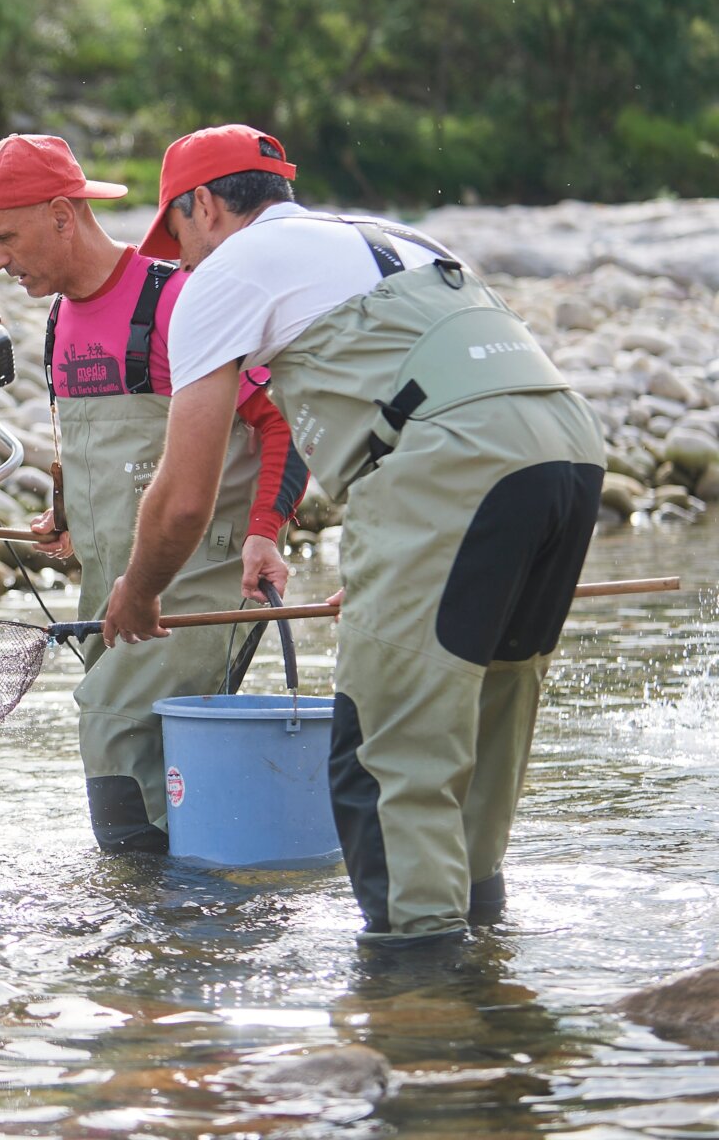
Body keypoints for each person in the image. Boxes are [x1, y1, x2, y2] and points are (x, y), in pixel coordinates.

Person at [101, 125, 604, 947]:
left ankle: (417, 989)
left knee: (379, 752)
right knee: (487, 708)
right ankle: (484, 968)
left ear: (201, 204)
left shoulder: (222, 275)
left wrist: (140, 589)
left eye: (178, 234)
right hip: (566, 450)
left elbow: (184, 497)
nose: (181, 259)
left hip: (450, 464)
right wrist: (396, 576)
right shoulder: (388, 235)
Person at [0, 134, 305, 854]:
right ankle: (187, 928)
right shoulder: (60, 315)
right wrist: (66, 513)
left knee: (115, 733)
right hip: (116, 586)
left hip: (197, 580)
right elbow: (86, 436)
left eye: (4, 238)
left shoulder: (179, 297)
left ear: (63, 214)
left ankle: (143, 941)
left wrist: (267, 532)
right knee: (143, 760)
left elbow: (283, 427)